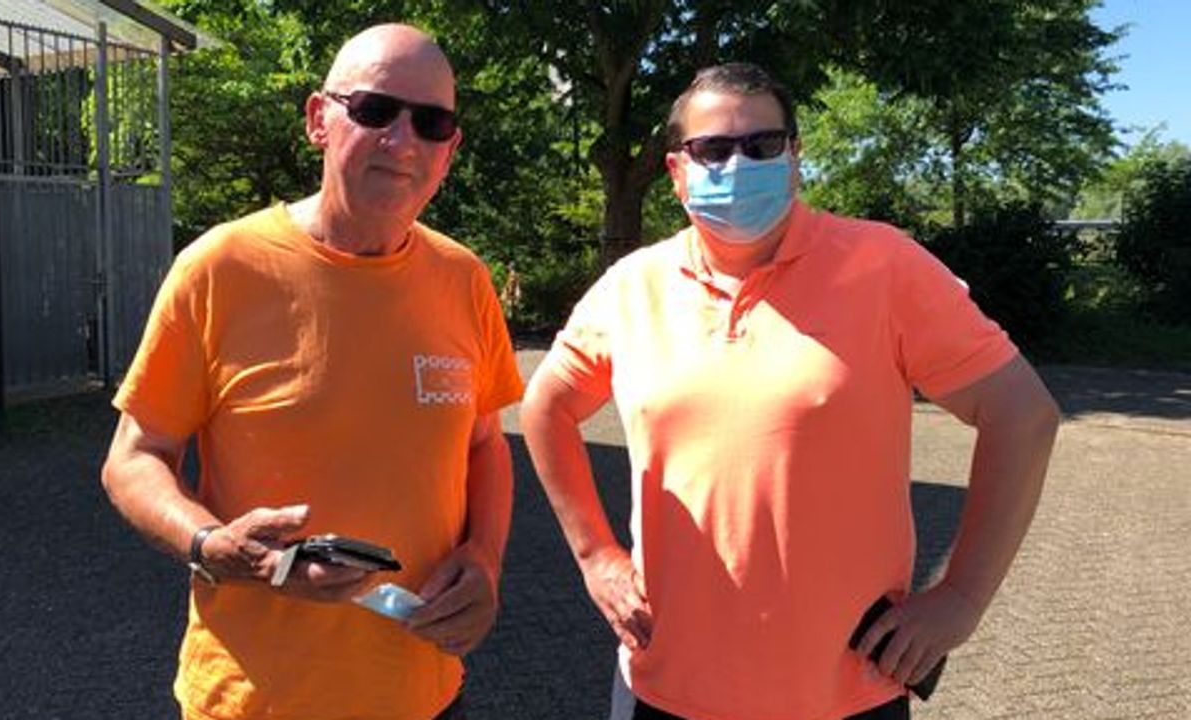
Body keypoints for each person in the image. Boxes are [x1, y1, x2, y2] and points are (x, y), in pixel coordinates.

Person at [519, 63, 1060, 720]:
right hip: (666, 685)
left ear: (795, 157)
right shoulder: (633, 287)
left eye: (762, 144)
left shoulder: (883, 265)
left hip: (845, 692)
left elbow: (1022, 415)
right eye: (713, 149)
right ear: (676, 170)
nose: (738, 163)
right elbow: (546, 407)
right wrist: (595, 555)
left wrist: (962, 597)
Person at [100, 24, 524, 720]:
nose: (403, 140)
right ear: (318, 119)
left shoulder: (464, 280)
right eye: (375, 110)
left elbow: (484, 444)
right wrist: (212, 545)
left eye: (432, 122)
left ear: (450, 149)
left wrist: (484, 558)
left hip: (424, 695)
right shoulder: (219, 268)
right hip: (251, 702)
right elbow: (134, 457)